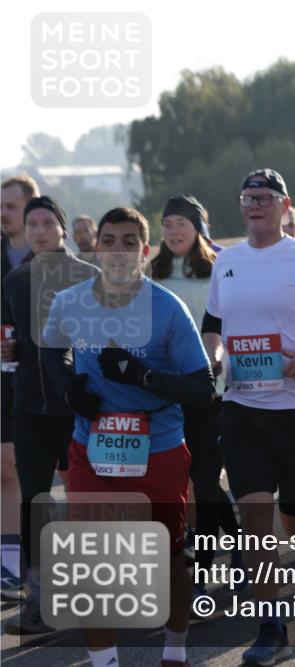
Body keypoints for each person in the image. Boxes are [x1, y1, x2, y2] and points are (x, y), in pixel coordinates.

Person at [41, 206, 216, 667]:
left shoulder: (167, 307)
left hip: (158, 447)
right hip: (92, 445)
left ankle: (175, 652)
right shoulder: (70, 301)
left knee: (169, 556)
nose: (117, 250)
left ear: (144, 251)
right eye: (109, 240)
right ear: (96, 248)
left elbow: (202, 388)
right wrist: (68, 387)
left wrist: (144, 377)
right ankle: (106, 662)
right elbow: (52, 351)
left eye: (128, 242)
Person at [202, 169, 295, 664]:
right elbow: (213, 323)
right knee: (254, 519)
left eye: (264, 198)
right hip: (242, 407)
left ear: (285, 205)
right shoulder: (227, 260)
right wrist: (213, 358)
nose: (254, 205)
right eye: (247, 197)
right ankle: (271, 627)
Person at [1, 196, 99, 634]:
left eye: (47, 223)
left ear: (62, 228)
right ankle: (40, 604)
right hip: (29, 409)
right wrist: (8, 349)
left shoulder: (87, 275)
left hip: (77, 409)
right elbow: (10, 339)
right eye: (32, 224)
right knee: (36, 503)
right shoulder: (15, 280)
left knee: (88, 502)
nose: (39, 231)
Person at [150, 195, 245, 601]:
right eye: (167, 224)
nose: (173, 231)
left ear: (198, 229)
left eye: (181, 224)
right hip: (169, 394)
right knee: (195, 482)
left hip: (213, 392)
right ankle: (239, 543)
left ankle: (201, 573)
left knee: (204, 482)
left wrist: (218, 357)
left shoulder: (219, 270)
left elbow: (231, 324)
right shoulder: (153, 272)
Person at [0, 175, 39, 601]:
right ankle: (9, 566)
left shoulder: (50, 259)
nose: (3, 213)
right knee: (5, 469)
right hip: (2, 378)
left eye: (11, 205)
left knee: (53, 477)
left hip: (44, 381)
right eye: (0, 206)